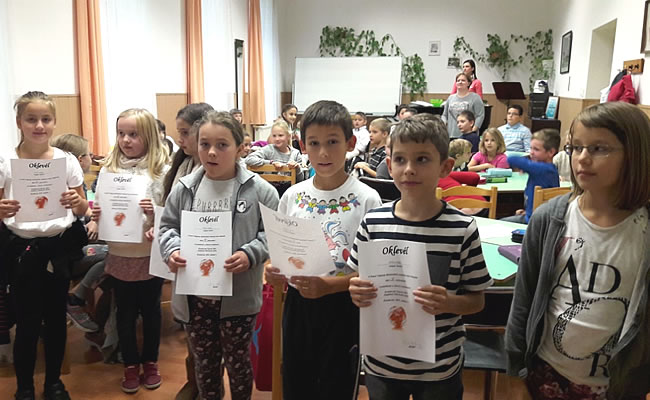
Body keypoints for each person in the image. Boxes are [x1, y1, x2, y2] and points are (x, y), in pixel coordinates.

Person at [505, 102, 650, 400]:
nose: (582, 158)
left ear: (635, 154)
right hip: (546, 374)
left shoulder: (643, 230)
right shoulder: (549, 219)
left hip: (616, 386)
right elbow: (523, 301)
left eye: (599, 148)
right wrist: (516, 372)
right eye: (576, 147)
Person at [349, 117, 492, 399]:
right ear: (389, 166)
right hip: (382, 364)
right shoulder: (372, 222)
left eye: (422, 159)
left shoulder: (462, 228)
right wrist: (356, 291)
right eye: (400, 159)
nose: (409, 169)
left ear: (445, 167)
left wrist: (449, 302)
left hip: (439, 368)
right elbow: (357, 279)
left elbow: (477, 301)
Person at [264, 100, 381, 400]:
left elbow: (374, 273)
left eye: (332, 142)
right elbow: (281, 255)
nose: (323, 153)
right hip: (298, 307)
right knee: (296, 383)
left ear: (350, 143)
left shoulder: (368, 199)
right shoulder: (292, 196)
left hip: (345, 308)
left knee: (336, 386)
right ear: (303, 146)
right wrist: (274, 272)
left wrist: (330, 286)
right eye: (314, 143)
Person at [159, 111, 279, 400]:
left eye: (222, 145)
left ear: (240, 149)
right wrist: (172, 250)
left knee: (239, 365)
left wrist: (250, 254)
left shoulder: (261, 191)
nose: (211, 152)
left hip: (239, 300)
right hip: (195, 299)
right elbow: (167, 227)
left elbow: (273, 236)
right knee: (205, 366)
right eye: (204, 144)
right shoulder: (184, 188)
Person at [0, 91, 89, 400]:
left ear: (53, 122)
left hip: (58, 250)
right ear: (19, 122)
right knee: (26, 323)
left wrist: (77, 202)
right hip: (21, 252)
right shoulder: (6, 162)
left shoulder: (66, 161)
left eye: (45, 119)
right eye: (31, 119)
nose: (39, 125)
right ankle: (24, 387)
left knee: (55, 321)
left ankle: (54, 383)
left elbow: (83, 209)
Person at [92, 108, 170, 393]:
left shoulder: (162, 170)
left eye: (133, 134)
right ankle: (130, 363)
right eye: (121, 134)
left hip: (149, 253)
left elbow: (171, 211)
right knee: (123, 312)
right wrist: (96, 214)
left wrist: (155, 213)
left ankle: (150, 361)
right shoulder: (108, 169)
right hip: (120, 252)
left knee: (151, 311)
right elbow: (99, 206)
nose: (126, 140)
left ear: (148, 136)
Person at [160, 102, 214, 400]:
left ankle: (206, 381)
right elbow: (168, 211)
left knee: (212, 329)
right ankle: (194, 378)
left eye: (184, 133)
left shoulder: (216, 168)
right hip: (184, 256)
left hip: (213, 259)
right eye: (178, 133)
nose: (180, 139)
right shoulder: (181, 165)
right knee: (192, 323)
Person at [50, 134, 106, 334]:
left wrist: (93, 219)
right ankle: (76, 298)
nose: (92, 158)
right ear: (80, 160)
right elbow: (79, 218)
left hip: (61, 253)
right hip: (69, 256)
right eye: (89, 154)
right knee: (113, 255)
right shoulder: (72, 185)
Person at [502, 128, 560, 224]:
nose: (531, 152)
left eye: (536, 149)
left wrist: (526, 166)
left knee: (500, 223)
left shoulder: (543, 169)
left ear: (551, 152)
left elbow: (511, 159)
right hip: (535, 217)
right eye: (531, 148)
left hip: (534, 222)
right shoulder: (549, 169)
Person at [245, 120, 304, 196]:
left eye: (280, 135)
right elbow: (249, 159)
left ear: (288, 136)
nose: (277, 139)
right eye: (274, 136)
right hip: (268, 191)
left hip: (289, 192)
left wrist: (297, 168)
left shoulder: (295, 153)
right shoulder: (269, 149)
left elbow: (301, 180)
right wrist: (271, 163)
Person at [442, 72, 484, 139]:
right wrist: (443, 125)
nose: (460, 82)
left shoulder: (475, 98)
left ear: (468, 83)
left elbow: (480, 115)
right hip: (451, 134)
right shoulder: (450, 98)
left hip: (468, 135)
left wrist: (473, 130)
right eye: (458, 80)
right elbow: (444, 115)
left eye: (463, 80)